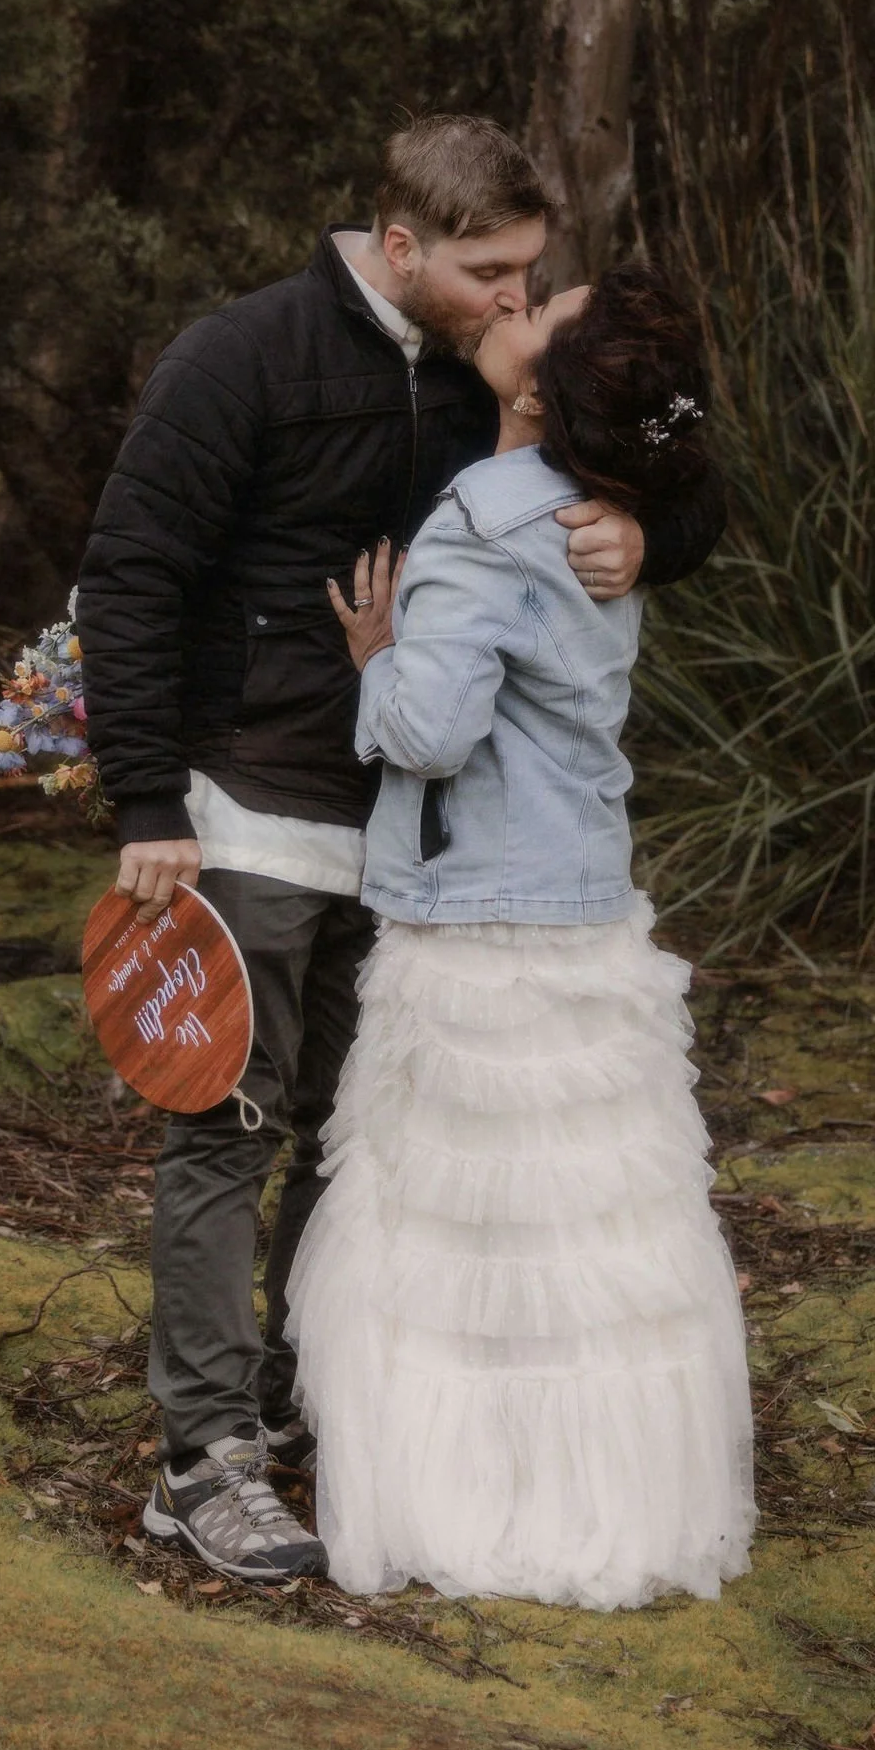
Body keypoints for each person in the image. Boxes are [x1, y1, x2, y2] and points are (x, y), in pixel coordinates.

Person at [75, 117, 724, 1585]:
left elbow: (661, 451)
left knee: (354, 1135)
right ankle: (205, 1459)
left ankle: (311, 1407)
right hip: (251, 814)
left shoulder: (487, 381)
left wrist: (652, 533)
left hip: (415, 853)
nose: (516, 299)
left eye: (531, 275)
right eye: (492, 274)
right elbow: (131, 571)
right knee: (225, 1128)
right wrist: (145, 802)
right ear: (402, 243)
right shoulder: (242, 356)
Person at [285, 266, 756, 1610]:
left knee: (464, 1223)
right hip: (584, 901)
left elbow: (433, 733)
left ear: (544, 393)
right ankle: (600, 1495)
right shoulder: (595, 517)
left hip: (480, 911)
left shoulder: (484, 526)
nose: (513, 303)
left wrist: (376, 659)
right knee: (582, 1218)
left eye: (539, 309)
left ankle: (474, 1498)